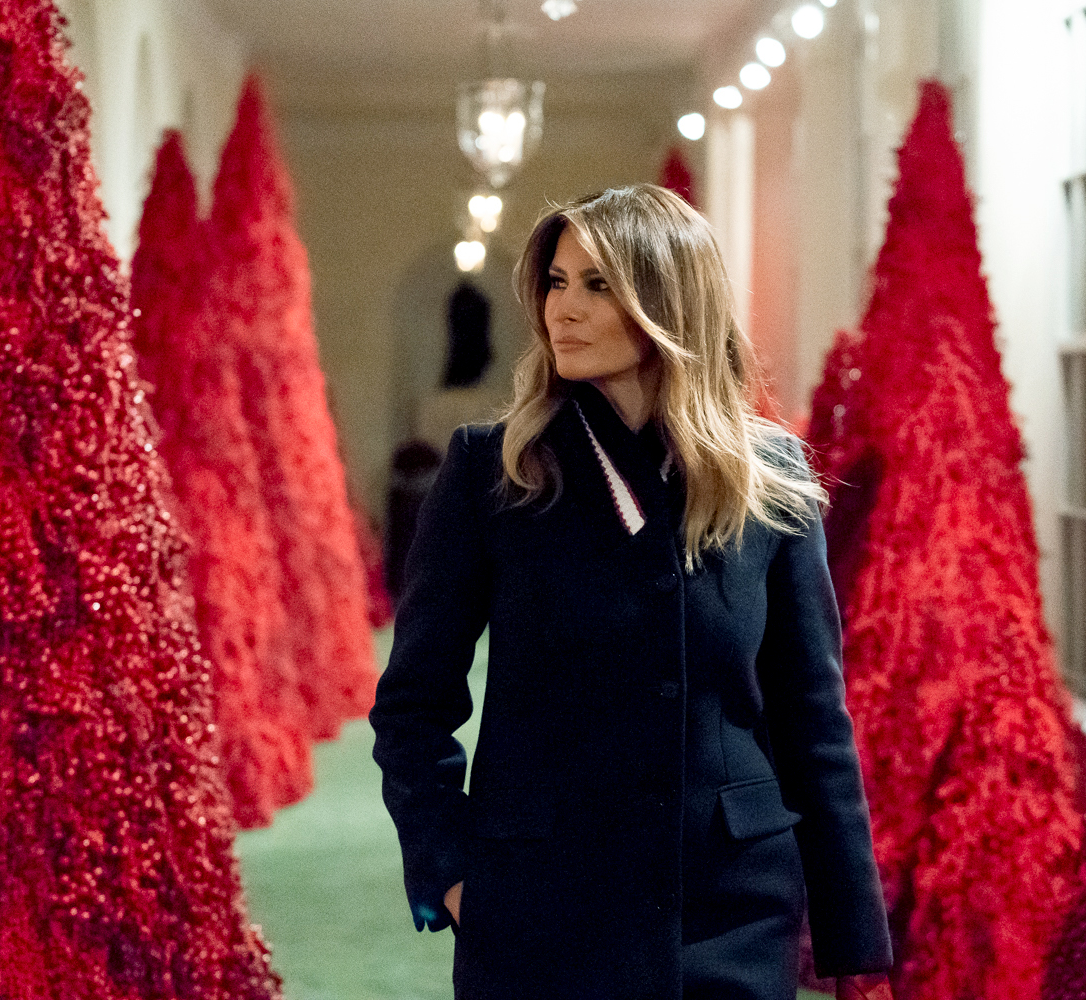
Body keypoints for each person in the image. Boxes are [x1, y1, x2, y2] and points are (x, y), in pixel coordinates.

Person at [370, 184, 892, 999]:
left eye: (597, 284)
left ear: (668, 300)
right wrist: (451, 871)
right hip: (538, 912)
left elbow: (812, 718)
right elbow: (413, 707)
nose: (562, 310)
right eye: (555, 282)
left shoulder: (771, 477)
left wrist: (853, 933)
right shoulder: (490, 469)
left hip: (731, 912)